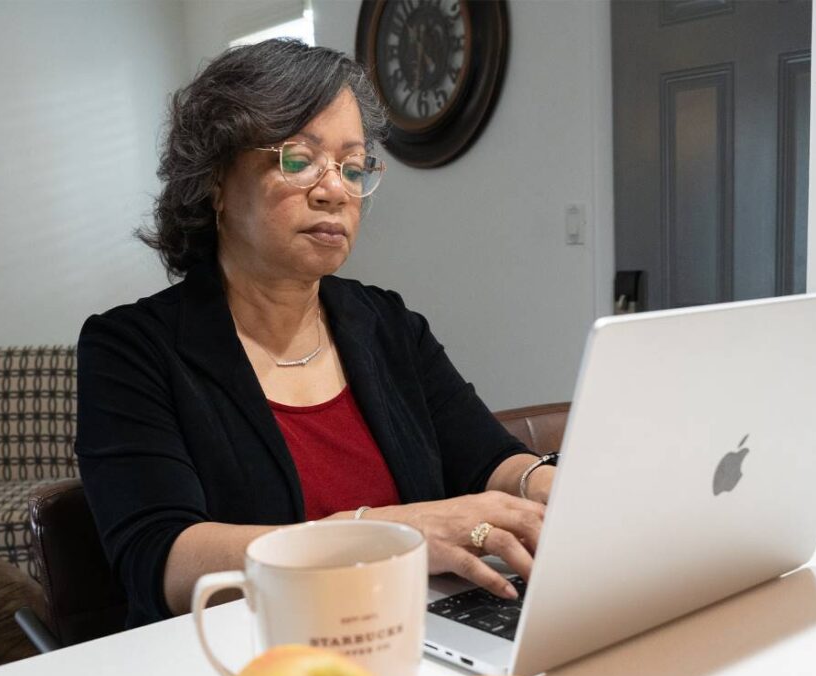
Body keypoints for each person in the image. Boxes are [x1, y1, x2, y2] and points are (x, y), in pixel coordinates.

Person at [77, 39, 557, 629]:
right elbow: (165, 562)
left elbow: (487, 458)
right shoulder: (132, 348)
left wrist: (545, 484)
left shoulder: (387, 324)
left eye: (353, 168)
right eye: (299, 160)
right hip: (240, 659)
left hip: (404, 630)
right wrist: (386, 534)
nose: (336, 190)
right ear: (216, 184)